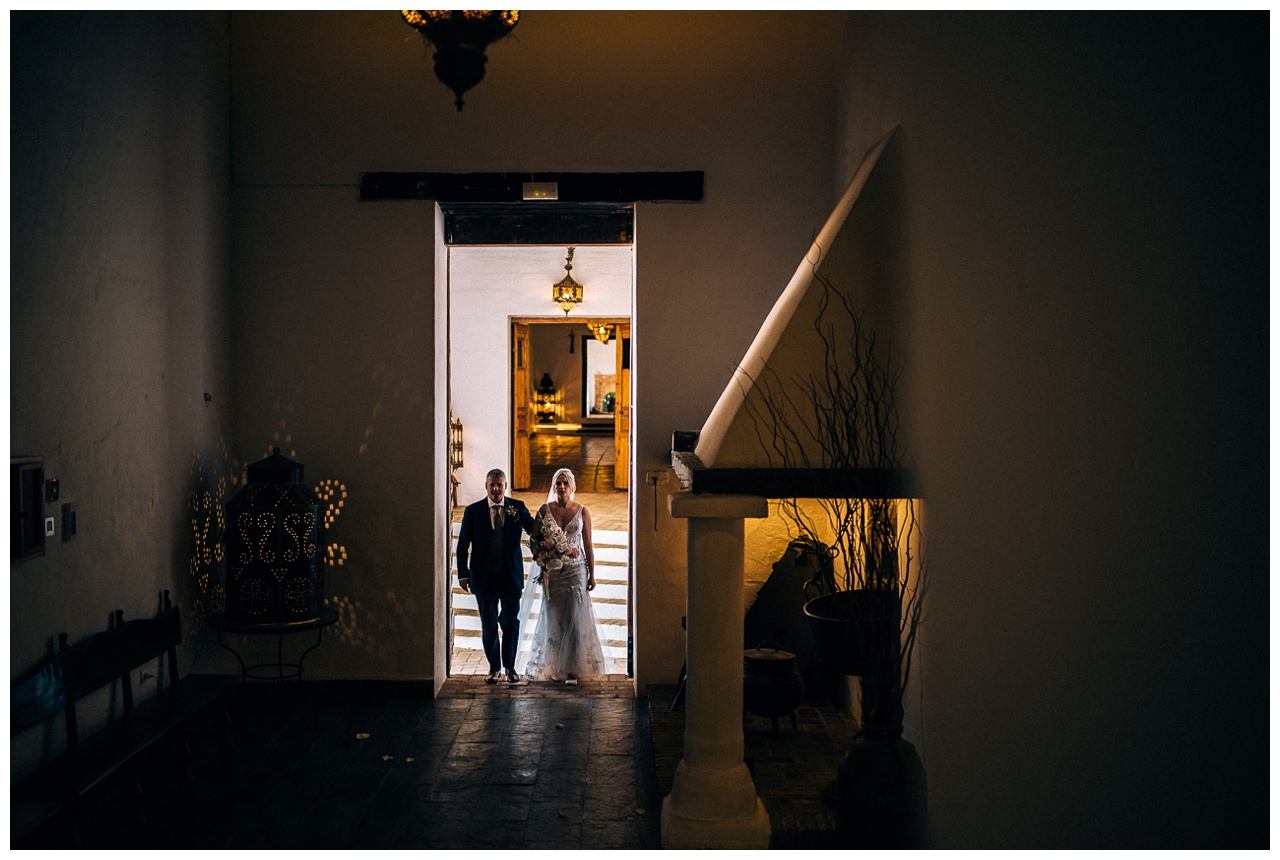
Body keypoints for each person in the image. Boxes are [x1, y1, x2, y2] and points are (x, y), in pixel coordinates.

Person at [519, 467, 608, 684]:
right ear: (553, 486)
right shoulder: (544, 510)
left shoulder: (583, 511)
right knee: (554, 618)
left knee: (575, 619)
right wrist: (544, 555)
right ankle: (553, 665)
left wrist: (592, 575)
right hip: (553, 573)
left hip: (576, 570)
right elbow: (534, 540)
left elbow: (588, 545)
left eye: (565, 483)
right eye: (558, 483)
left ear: (572, 486)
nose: (561, 487)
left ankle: (572, 670)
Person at [456, 468, 537, 684]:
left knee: (510, 621)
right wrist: (463, 574)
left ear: (505, 486)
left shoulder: (517, 508)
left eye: (499, 485)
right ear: (486, 486)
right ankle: (494, 668)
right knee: (489, 624)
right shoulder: (473, 512)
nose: (496, 489)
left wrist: (548, 537)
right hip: (484, 577)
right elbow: (463, 544)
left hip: (510, 577)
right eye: (492, 485)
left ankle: (510, 668)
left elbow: (533, 530)